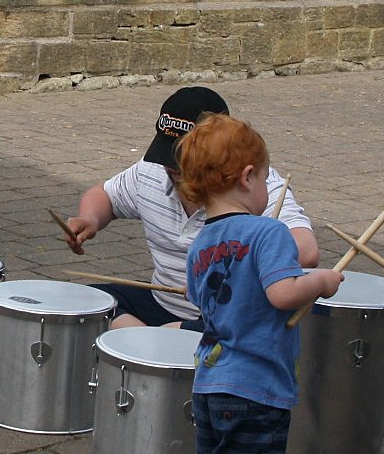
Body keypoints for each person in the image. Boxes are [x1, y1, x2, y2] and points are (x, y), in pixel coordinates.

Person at [175, 113, 344, 454]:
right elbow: (282, 292)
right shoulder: (267, 233)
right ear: (247, 177)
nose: (268, 188)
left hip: (210, 377)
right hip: (255, 383)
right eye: (267, 178)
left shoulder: (200, 244)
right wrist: (323, 281)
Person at [63, 86, 319, 329]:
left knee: (222, 334)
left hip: (224, 316)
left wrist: (230, 266)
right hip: (160, 301)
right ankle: (148, 339)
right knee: (88, 302)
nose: (173, 169)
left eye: (187, 160)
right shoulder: (150, 171)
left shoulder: (255, 189)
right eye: (169, 156)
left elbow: (306, 251)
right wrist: (90, 219)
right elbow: (104, 195)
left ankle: (152, 342)